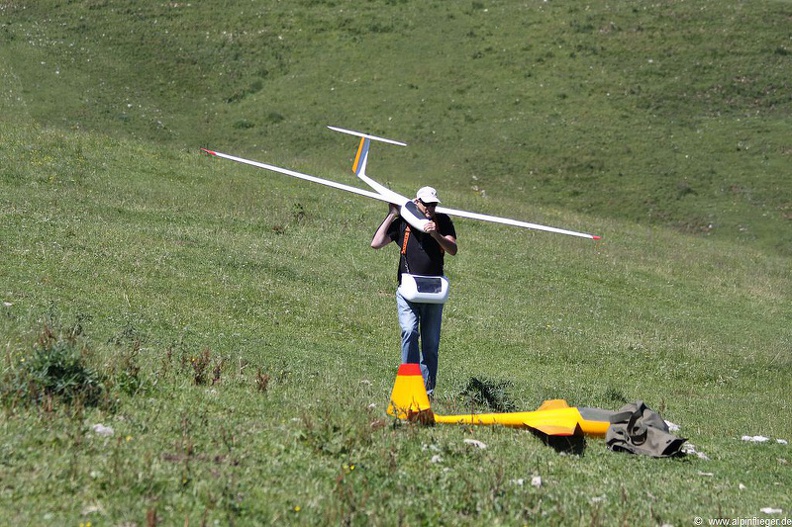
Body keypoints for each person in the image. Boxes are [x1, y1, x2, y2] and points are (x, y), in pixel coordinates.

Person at [371, 186, 457, 396]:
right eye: (426, 204)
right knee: (409, 332)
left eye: (433, 204)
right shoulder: (405, 222)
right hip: (408, 291)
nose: (430, 208)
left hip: (433, 294)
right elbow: (376, 243)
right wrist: (392, 214)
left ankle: (426, 393)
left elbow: (452, 249)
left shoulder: (443, 221)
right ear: (416, 202)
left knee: (430, 344)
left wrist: (435, 233)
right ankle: (409, 387)